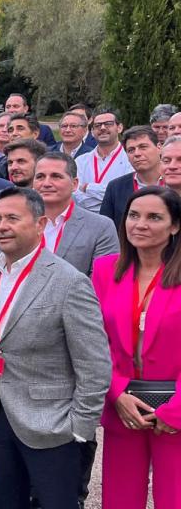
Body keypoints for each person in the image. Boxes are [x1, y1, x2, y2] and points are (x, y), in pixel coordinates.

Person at [0, 187, 111, 509]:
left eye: (13, 218)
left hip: (52, 424)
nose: (2, 226)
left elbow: (94, 365)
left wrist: (79, 429)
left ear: (40, 224)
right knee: (8, 502)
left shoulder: (69, 282)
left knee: (56, 503)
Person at [92, 186, 181, 508]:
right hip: (124, 406)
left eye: (154, 217)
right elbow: (94, 342)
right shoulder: (105, 270)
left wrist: (175, 410)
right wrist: (116, 393)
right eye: (133, 215)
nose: (140, 224)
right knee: (119, 498)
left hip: (176, 411)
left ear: (174, 226)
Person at [34, 152, 119, 276]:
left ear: (74, 184)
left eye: (56, 176)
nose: (46, 183)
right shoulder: (16, 223)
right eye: (40, 177)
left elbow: (102, 281)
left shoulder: (100, 227)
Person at [101, 126, 163, 228]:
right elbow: (105, 228)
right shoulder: (115, 187)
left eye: (143, 147)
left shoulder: (174, 181)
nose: (137, 154)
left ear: (159, 148)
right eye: (131, 150)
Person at [75, 108, 133, 212]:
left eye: (108, 124)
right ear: (92, 132)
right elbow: (74, 194)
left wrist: (88, 188)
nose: (102, 128)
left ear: (119, 128)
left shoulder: (130, 160)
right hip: (85, 221)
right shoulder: (80, 161)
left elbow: (125, 195)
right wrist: (110, 198)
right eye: (97, 125)